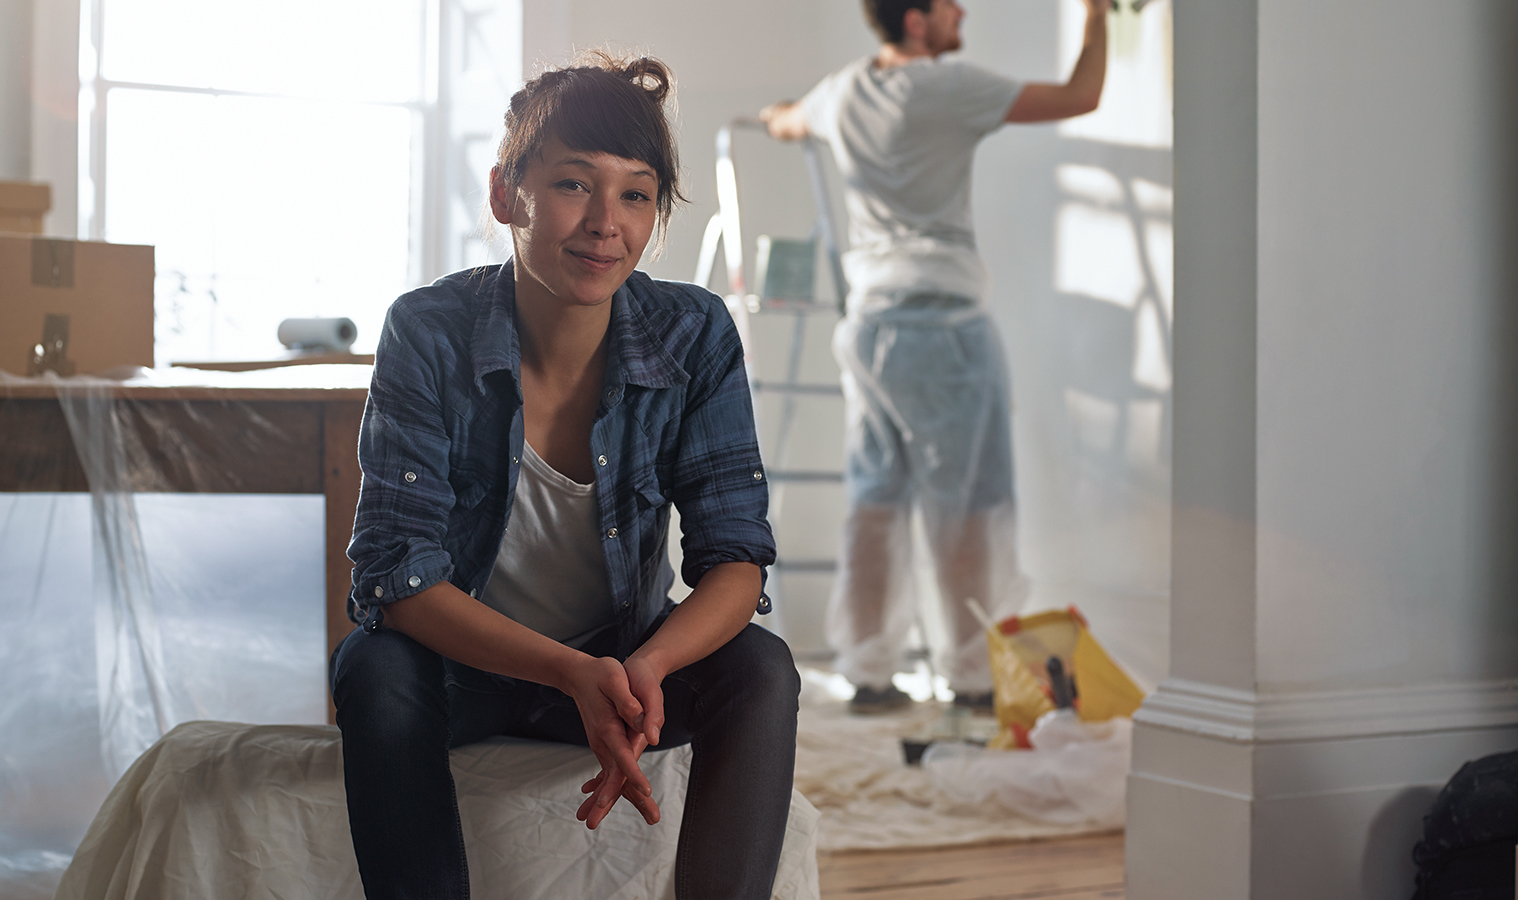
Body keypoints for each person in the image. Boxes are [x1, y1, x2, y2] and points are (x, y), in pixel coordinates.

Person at [330, 53, 800, 900]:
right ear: (507, 193)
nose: (604, 223)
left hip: (622, 667)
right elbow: (397, 575)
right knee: (374, 667)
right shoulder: (430, 331)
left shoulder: (692, 334)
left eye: (636, 193)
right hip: (465, 675)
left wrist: (648, 667)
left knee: (762, 671)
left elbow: (735, 560)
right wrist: (564, 673)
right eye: (574, 185)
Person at [762, 0, 1110, 714]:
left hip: (870, 328)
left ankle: (869, 671)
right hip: (944, 328)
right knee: (971, 509)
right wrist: (1098, 13)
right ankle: (976, 681)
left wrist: (777, 113)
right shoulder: (946, 87)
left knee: (877, 501)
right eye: (950, 4)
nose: (964, 12)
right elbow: (1082, 96)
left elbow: (786, 119)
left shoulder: (843, 89)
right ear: (917, 20)